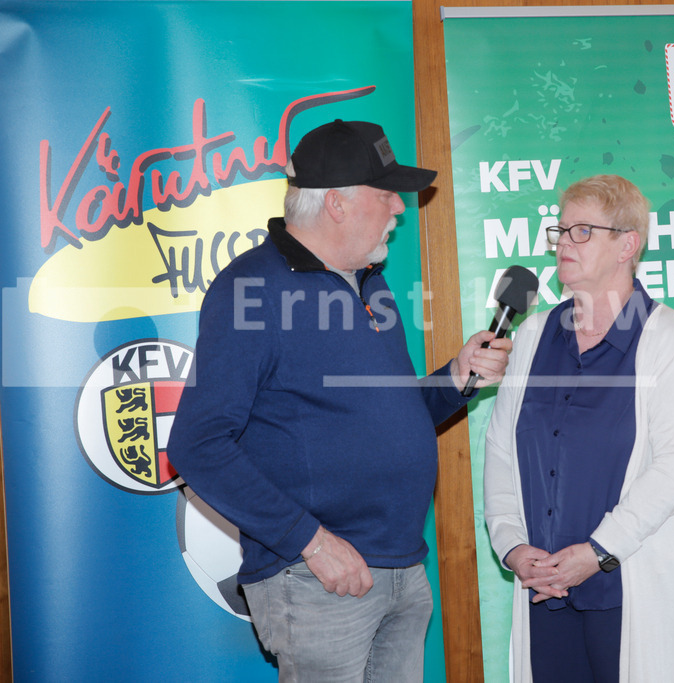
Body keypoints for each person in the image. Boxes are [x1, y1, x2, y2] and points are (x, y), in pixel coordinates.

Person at [167, 119, 511, 682]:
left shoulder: (371, 282)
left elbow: (393, 413)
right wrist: (311, 543)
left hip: (401, 567)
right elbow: (198, 444)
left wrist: (455, 376)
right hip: (318, 578)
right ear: (337, 204)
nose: (399, 209)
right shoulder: (251, 289)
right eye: (387, 194)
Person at [483, 174, 674, 682]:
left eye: (582, 231)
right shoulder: (534, 333)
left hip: (627, 584)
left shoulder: (665, 335)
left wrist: (599, 552)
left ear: (627, 245)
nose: (563, 243)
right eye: (560, 230)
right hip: (544, 588)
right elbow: (501, 449)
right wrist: (513, 546)